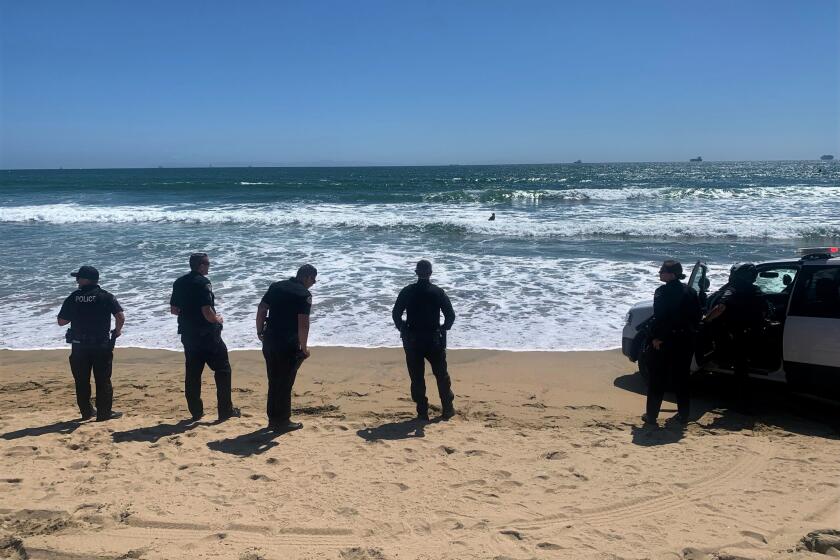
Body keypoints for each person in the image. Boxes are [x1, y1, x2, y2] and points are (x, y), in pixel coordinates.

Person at [169, 253, 240, 422]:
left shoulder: (179, 282)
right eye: (207, 263)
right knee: (223, 370)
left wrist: (189, 313)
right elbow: (207, 311)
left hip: (187, 333)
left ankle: (196, 412)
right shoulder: (203, 283)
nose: (209, 266)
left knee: (193, 373)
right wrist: (218, 320)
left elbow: (174, 309)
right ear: (200, 265)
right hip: (207, 334)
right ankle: (225, 411)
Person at [57, 266, 125, 421]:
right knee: (103, 380)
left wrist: (78, 313)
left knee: (81, 380)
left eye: (78, 278)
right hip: (101, 345)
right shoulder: (105, 296)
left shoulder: (74, 297)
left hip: (79, 345)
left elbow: (61, 321)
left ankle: (86, 412)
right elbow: (120, 317)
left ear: (85, 279)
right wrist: (117, 331)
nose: (76, 281)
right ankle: (104, 414)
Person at [255, 264, 317, 433]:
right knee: (285, 382)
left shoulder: (276, 286)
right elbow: (303, 324)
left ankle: (273, 419)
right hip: (287, 343)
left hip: (269, 339)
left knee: (273, 379)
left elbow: (262, 309)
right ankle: (282, 421)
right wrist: (304, 348)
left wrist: (260, 331)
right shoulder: (303, 294)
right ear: (306, 277)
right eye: (313, 279)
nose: (314, 282)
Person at [392, 259, 456, 421]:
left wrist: (402, 328)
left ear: (416, 273)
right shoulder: (437, 292)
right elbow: (450, 316)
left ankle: (422, 412)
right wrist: (443, 328)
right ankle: (447, 409)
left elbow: (396, 314)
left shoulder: (407, 291)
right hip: (434, 340)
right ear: (430, 273)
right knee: (441, 375)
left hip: (413, 340)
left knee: (417, 378)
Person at [642, 260, 702, 426]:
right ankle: (683, 415)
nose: (660, 273)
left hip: (666, 341)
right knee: (682, 379)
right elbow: (697, 317)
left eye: (662, 270)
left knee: (657, 379)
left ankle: (651, 416)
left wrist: (656, 337)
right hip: (685, 341)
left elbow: (661, 317)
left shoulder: (662, 291)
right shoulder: (690, 292)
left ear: (672, 274)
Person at [703, 263, 765, 410]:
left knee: (740, 369)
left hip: (738, 334)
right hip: (754, 333)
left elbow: (720, 307)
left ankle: (742, 404)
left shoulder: (734, 290)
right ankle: (742, 400)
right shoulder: (756, 290)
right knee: (742, 368)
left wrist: (706, 320)